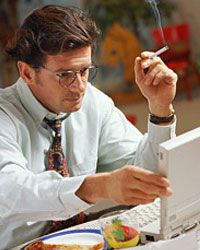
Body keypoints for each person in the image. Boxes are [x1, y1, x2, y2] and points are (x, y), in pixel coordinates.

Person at [0, 4, 177, 249]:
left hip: (84, 240)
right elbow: (10, 191)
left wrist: (160, 109)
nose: (79, 86)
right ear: (27, 72)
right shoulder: (4, 115)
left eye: (84, 70)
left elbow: (149, 177)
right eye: (64, 75)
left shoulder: (94, 102)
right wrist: (99, 186)